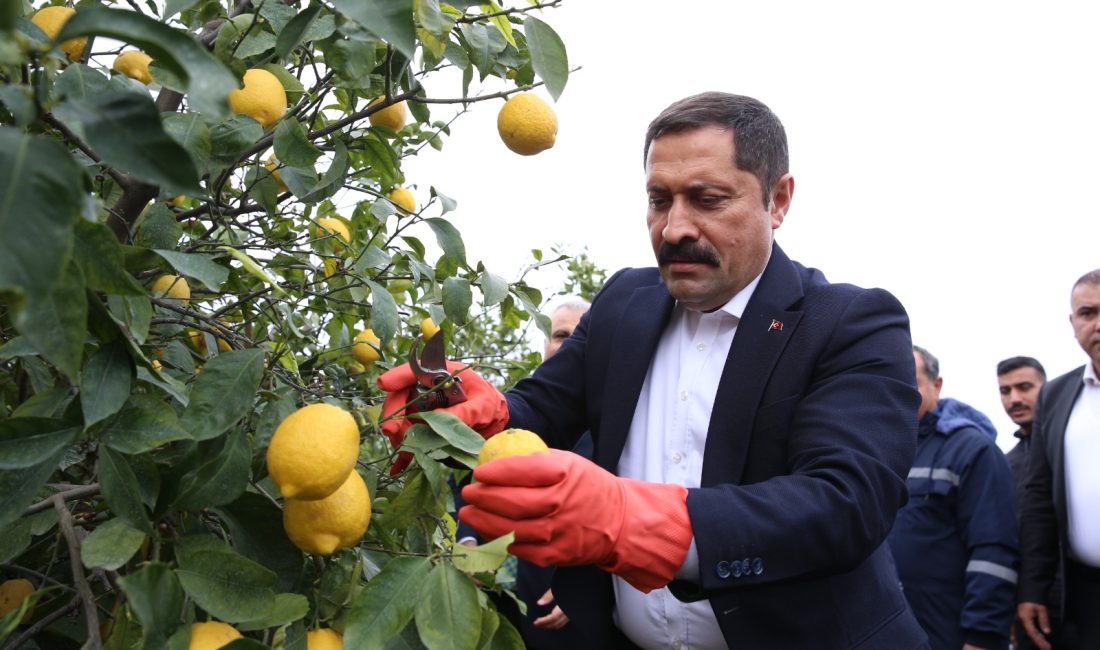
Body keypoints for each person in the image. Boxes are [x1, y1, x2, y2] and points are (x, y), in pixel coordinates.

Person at [380, 91, 927, 648]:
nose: (674, 228)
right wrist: (467, 409)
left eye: (708, 199)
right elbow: (539, 412)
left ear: (778, 200)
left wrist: (629, 519)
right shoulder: (624, 303)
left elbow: (846, 501)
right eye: (659, 199)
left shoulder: (851, 322)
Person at [454, 298, 593, 648]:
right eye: (560, 335)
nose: (568, 344)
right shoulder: (524, 407)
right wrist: (468, 542)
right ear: (545, 344)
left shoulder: (614, 415)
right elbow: (471, 479)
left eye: (580, 336)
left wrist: (586, 588)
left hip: (564, 606)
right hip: (497, 594)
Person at [887, 346, 1018, 650]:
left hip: (949, 633)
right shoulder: (879, 452)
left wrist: (982, 636)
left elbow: (994, 551)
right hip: (889, 630)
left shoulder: (973, 451)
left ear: (937, 385)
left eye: (912, 383)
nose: (900, 393)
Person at [1018, 269, 1100, 650]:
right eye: (1088, 313)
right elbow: (1038, 499)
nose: (1098, 324)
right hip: (1084, 597)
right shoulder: (1056, 395)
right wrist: (1032, 587)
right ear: (1073, 322)